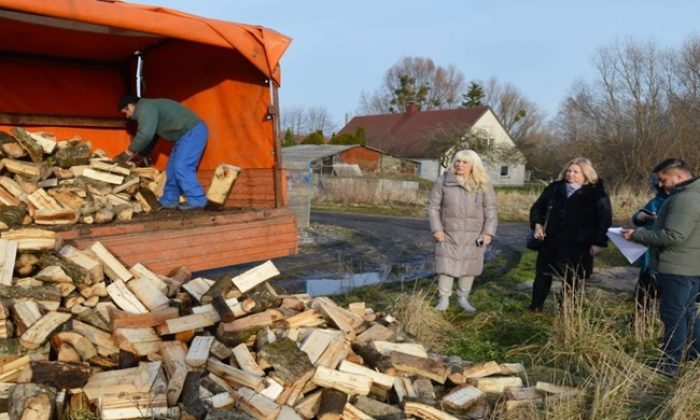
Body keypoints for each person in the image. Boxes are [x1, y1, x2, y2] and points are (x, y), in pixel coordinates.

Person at [623, 158, 700, 374]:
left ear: (678, 177)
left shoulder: (684, 199)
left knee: (673, 315)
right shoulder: (693, 195)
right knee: (688, 313)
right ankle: (693, 354)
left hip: (677, 267)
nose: (660, 184)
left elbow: (674, 235)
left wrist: (637, 235)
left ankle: (670, 363)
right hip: (692, 266)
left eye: (663, 179)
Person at [528, 157, 612, 311]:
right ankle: (535, 307)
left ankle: (565, 311)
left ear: (586, 174)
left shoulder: (596, 193)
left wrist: (599, 242)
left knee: (573, 278)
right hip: (552, 239)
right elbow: (537, 208)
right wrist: (537, 225)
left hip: (579, 243)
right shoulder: (555, 188)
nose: (570, 174)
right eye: (568, 170)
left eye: (575, 171)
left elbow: (605, 220)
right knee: (543, 274)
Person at [427, 150, 497, 312]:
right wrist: (437, 229)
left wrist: (488, 232)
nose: (460, 164)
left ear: (473, 165)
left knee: (469, 267)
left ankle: (463, 299)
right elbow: (433, 207)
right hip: (448, 233)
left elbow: (491, 209)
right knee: (446, 265)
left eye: (465, 162)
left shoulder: (483, 184)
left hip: (474, 235)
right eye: (457, 161)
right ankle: (443, 299)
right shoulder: (442, 181)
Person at [117, 95, 208, 210]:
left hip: (192, 131)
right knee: (171, 169)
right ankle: (169, 200)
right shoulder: (147, 108)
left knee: (182, 166)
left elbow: (146, 134)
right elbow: (153, 136)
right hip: (183, 136)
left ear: (131, 105)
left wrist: (129, 152)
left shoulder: (145, 107)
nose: (127, 115)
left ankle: (198, 200)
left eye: (126, 111)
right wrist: (142, 154)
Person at [630, 174, 669, 312]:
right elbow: (638, 218)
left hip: (667, 257)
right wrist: (640, 217)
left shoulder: (681, 201)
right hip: (649, 256)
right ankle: (640, 322)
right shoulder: (656, 201)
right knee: (643, 291)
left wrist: (652, 224)